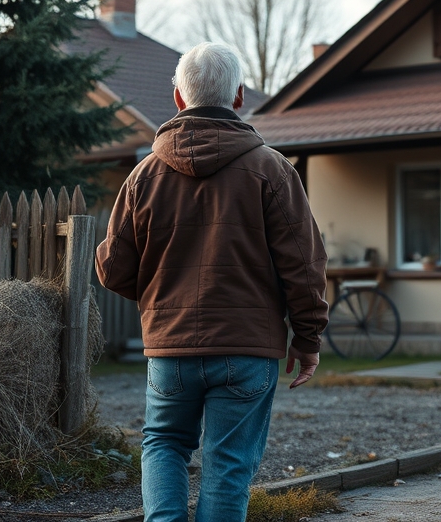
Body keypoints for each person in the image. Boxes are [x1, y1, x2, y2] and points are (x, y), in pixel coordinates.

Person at [95, 41, 328, 522]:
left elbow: (112, 269)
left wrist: (167, 296)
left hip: (171, 347)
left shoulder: (142, 176)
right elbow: (303, 267)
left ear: (178, 98)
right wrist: (307, 338)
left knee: (163, 444)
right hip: (248, 349)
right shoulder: (273, 170)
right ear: (240, 96)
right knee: (228, 465)